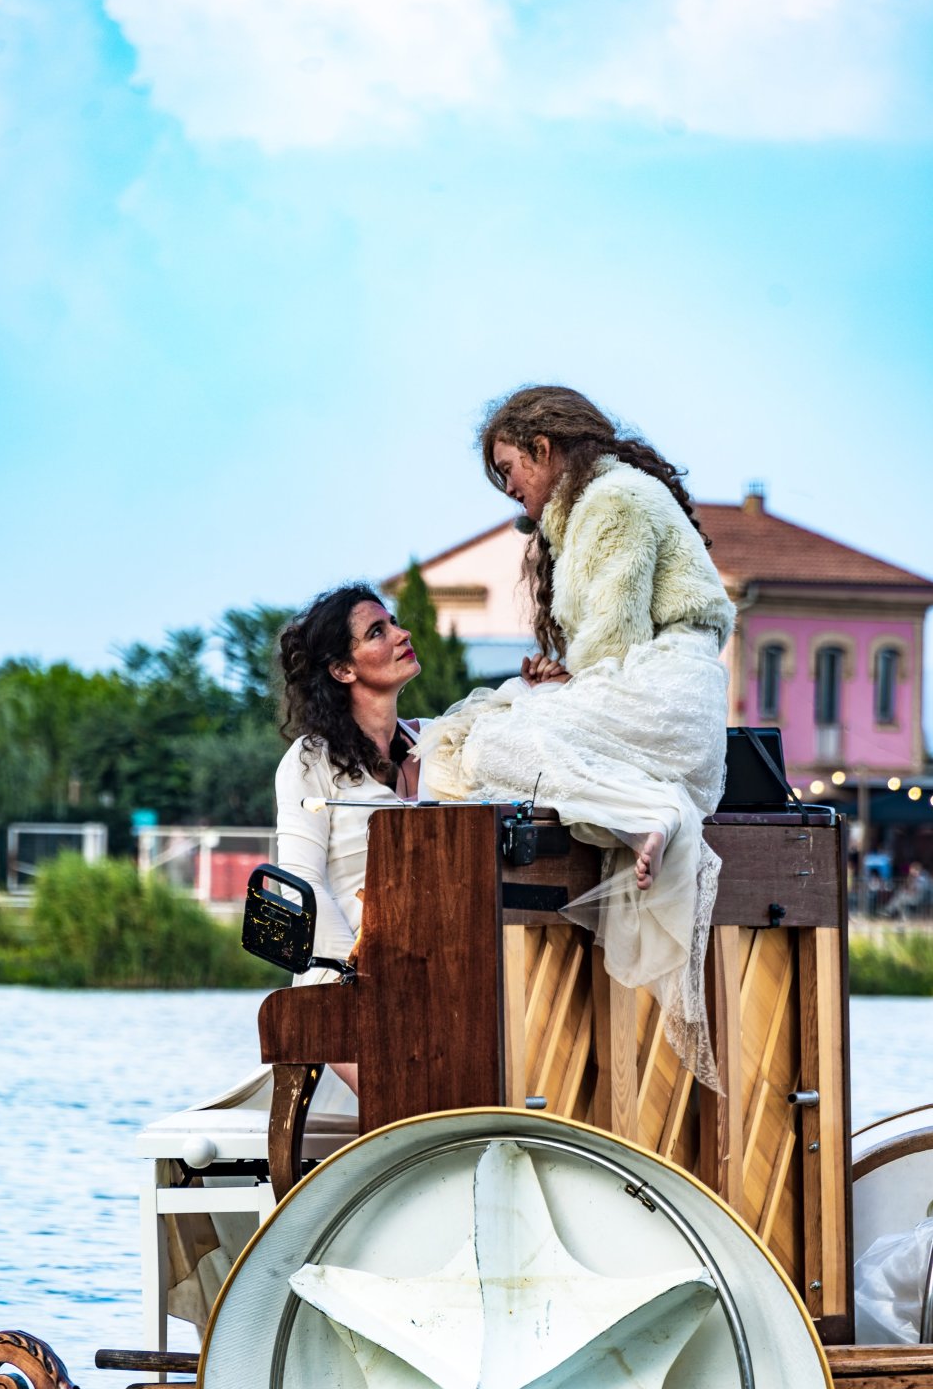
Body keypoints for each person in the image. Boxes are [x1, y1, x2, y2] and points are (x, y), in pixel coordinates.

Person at [418, 385, 736, 1084]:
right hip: (668, 697)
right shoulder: (604, 500)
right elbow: (612, 644)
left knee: (482, 743)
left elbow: (615, 636)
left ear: (543, 448)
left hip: (662, 696)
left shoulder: (611, 502)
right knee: (499, 725)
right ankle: (642, 812)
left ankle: (648, 811)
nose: (510, 491)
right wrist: (562, 677)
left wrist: (566, 681)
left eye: (510, 471)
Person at [275, 583, 424, 1093]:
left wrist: (542, 690)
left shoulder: (438, 744)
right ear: (342, 669)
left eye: (394, 623)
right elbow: (303, 883)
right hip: (344, 980)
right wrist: (362, 980)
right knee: (408, 1103)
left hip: (437, 968)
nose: (402, 634)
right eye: (377, 632)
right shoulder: (309, 761)